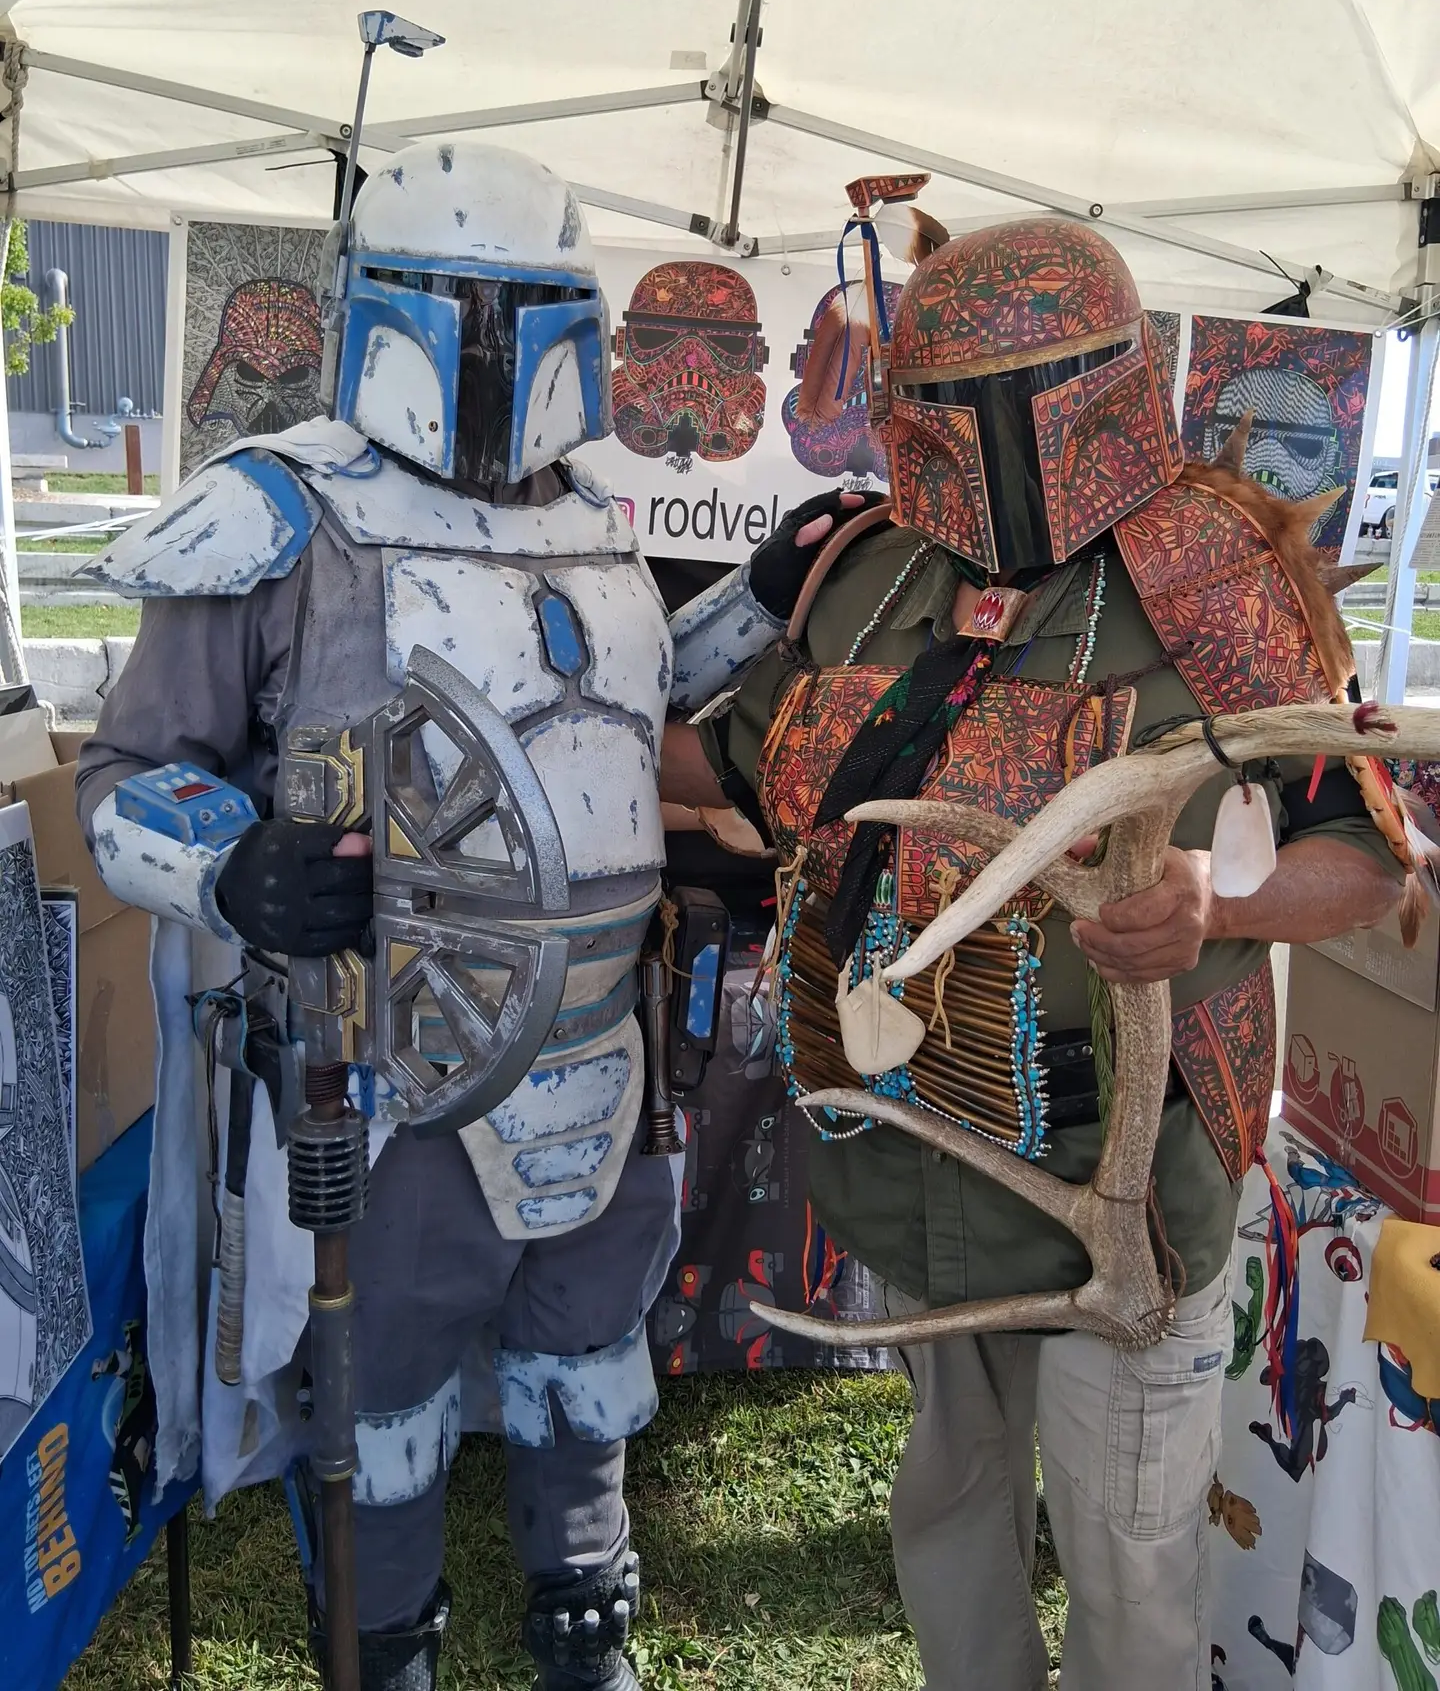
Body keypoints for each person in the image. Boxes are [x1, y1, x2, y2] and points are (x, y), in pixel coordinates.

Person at [74, 138, 856, 1691]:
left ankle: (588, 1632)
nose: (490, 354)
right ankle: (391, 1651)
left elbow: (623, 711)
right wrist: (231, 865)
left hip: (603, 1052)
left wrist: (760, 600)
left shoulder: (592, 514)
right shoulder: (281, 515)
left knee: (587, 1360)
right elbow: (126, 776)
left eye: (522, 314)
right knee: (379, 1395)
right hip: (387, 1077)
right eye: (460, 310)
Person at [662, 216, 1403, 1691]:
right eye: (938, 407)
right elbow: (732, 768)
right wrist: (556, 705)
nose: (968, 443)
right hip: (915, 1158)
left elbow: (1369, 862)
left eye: (998, 404)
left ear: (1092, 393)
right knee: (950, 1511)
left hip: (1122, 1185)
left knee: (1129, 1563)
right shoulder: (871, 572)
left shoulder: (1212, 579)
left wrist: (1215, 903)